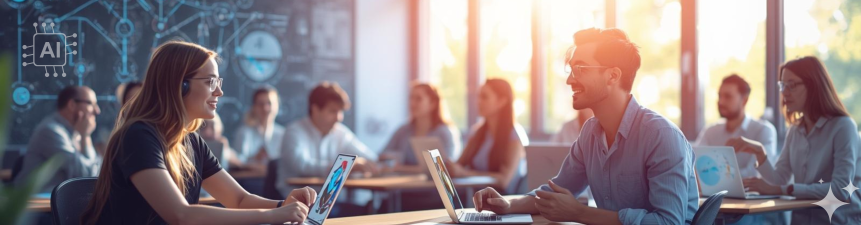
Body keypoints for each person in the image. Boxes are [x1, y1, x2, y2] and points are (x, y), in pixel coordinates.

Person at [471, 28, 698, 224]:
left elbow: (668, 222)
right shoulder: (590, 133)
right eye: (570, 70)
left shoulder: (661, 136)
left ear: (612, 76)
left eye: (580, 69)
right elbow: (556, 191)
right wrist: (508, 205)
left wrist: (579, 213)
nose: (570, 80)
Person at [80, 41, 315, 224]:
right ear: (179, 86)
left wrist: (283, 205)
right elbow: (181, 216)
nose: (220, 92)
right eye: (211, 82)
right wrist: (270, 217)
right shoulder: (138, 136)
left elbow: (238, 199)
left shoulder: (191, 141)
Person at [733, 56, 861, 224]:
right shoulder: (794, 131)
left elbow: (841, 189)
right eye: (782, 85)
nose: (785, 92)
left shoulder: (843, 127)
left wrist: (785, 190)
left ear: (814, 86)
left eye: (792, 85)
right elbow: (779, 178)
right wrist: (759, 152)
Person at [277, 81, 379, 196]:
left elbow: (370, 158)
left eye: (340, 111)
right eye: (332, 111)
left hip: (331, 205)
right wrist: (343, 168)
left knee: (369, 211)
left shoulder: (340, 132)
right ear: (315, 109)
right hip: (295, 205)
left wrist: (363, 163)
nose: (339, 118)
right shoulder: (294, 131)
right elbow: (301, 165)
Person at [446, 78, 529, 195]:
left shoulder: (514, 135)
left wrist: (464, 173)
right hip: (476, 200)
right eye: (478, 96)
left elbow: (504, 180)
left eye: (484, 97)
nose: (478, 101)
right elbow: (459, 165)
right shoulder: (477, 132)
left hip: (503, 201)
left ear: (502, 101)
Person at [14, 85, 102, 193]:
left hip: (56, 203)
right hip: (33, 205)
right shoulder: (50, 131)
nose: (97, 111)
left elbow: (95, 175)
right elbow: (85, 177)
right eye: (90, 103)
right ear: (72, 105)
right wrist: (86, 136)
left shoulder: (74, 133)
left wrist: (84, 136)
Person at [695, 74, 778, 178]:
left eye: (728, 96)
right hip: (713, 193)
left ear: (744, 100)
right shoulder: (710, 131)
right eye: (719, 96)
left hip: (750, 194)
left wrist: (714, 176)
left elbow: (755, 175)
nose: (721, 101)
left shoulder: (764, 130)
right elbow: (695, 165)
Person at [379, 83, 462, 172]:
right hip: (402, 184)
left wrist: (400, 168)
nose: (412, 103)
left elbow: (446, 168)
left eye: (418, 99)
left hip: (432, 185)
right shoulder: (403, 130)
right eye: (411, 98)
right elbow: (382, 156)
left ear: (432, 104)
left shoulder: (444, 132)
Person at [232, 86, 285, 170]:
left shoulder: (284, 135)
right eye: (260, 104)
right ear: (254, 107)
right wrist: (254, 159)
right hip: (248, 180)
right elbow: (236, 162)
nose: (265, 108)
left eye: (269, 103)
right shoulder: (244, 133)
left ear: (277, 106)